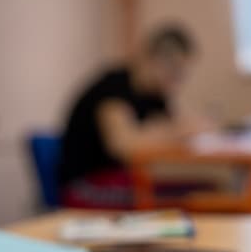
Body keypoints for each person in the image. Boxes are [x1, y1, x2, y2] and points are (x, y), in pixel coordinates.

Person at [57, 24, 209, 208]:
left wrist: (172, 129)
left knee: (206, 190)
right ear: (153, 60)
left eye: (183, 74)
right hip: (86, 186)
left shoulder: (156, 95)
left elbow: (173, 128)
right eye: (175, 71)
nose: (178, 81)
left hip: (124, 179)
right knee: (196, 199)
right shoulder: (114, 87)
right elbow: (124, 146)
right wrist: (173, 131)